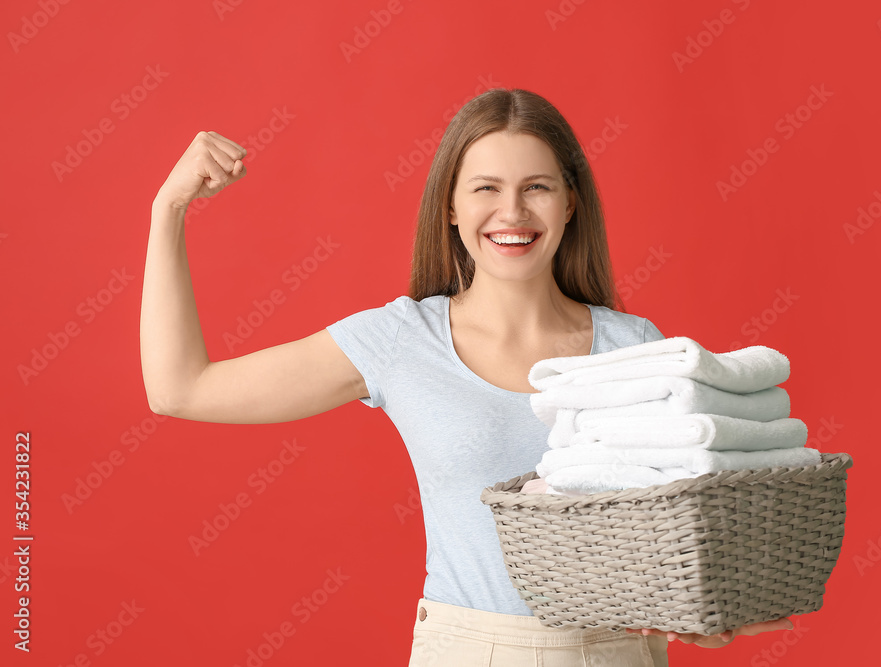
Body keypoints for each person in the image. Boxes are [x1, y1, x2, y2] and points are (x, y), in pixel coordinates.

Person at [140, 88, 794, 666]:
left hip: (614, 653)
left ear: (570, 203)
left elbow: (684, 525)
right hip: (469, 650)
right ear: (450, 207)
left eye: (536, 186)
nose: (512, 212)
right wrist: (168, 209)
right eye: (486, 188)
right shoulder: (402, 340)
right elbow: (180, 387)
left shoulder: (637, 349)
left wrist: (709, 610)